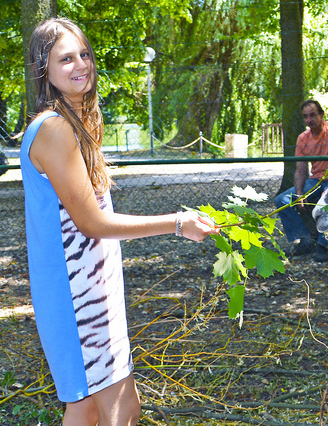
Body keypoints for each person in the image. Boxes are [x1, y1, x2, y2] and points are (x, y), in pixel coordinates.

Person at [21, 18, 218, 425]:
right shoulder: (54, 128)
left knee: (89, 408)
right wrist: (177, 223)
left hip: (92, 284)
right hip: (75, 294)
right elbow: (92, 223)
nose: (81, 65)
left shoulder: (73, 122)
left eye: (85, 54)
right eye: (65, 58)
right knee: (119, 409)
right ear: (44, 69)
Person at [275, 100, 328, 262]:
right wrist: (300, 193)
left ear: (322, 115)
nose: (309, 120)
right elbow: (300, 169)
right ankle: (305, 239)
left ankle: (323, 246)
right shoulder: (303, 138)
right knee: (282, 199)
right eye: (305, 117)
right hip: (315, 180)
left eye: (313, 115)